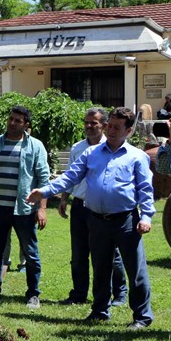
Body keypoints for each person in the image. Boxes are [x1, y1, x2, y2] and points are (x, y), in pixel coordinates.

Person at [27, 107, 153, 329]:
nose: (110, 130)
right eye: (109, 125)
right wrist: (44, 191)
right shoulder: (90, 153)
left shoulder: (137, 157)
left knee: (136, 271)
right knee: (101, 268)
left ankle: (142, 317)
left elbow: (145, 189)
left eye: (116, 127)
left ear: (129, 130)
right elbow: (70, 177)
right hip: (96, 221)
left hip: (126, 222)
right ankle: (100, 311)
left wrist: (147, 217)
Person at [0, 106, 49, 309]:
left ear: (26, 125)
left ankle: (33, 294)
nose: (12, 123)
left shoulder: (35, 146)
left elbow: (43, 179)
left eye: (18, 120)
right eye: (11, 119)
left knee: (30, 252)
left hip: (24, 209)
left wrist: (41, 208)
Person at [57, 108, 128, 306]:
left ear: (104, 125)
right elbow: (70, 175)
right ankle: (79, 294)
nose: (89, 126)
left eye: (94, 123)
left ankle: (120, 293)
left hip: (102, 209)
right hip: (80, 206)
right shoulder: (77, 148)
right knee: (79, 253)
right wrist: (64, 198)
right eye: (87, 122)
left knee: (110, 255)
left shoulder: (114, 146)